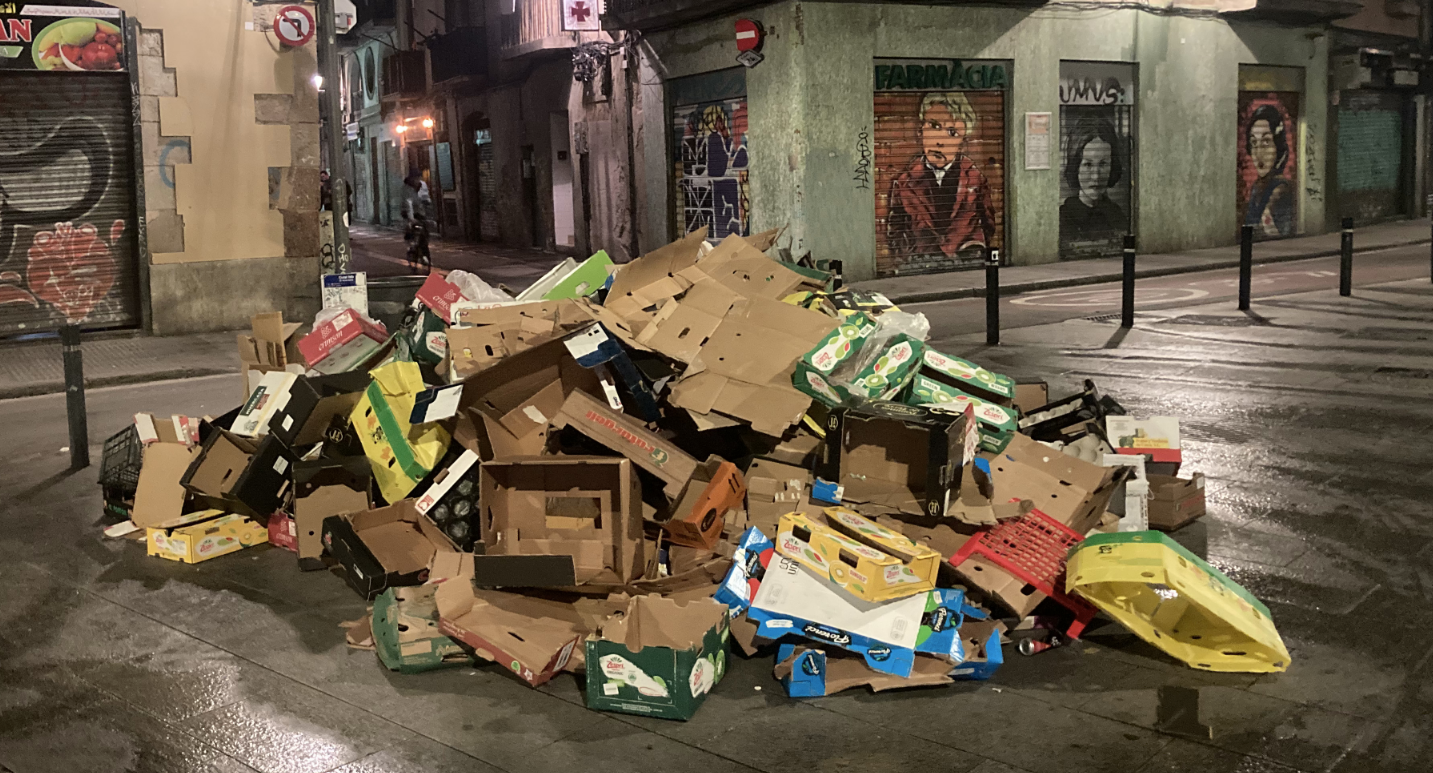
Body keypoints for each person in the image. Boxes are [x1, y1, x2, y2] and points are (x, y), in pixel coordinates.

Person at [885, 92, 996, 267]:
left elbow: (988, 224)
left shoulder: (975, 180)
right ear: (920, 131)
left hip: (966, 267)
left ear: (963, 143)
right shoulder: (903, 183)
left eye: (952, 133)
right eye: (934, 126)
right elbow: (896, 231)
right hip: (922, 267)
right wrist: (907, 261)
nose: (939, 142)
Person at [1059, 119, 1127, 252]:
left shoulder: (1117, 216)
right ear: (1076, 166)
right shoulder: (1064, 219)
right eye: (1088, 165)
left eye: (1103, 164)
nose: (1096, 176)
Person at [1243, 104, 1295, 238]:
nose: (1259, 153)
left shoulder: (1279, 190)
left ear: (1277, 146)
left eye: (1266, 142)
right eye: (1254, 143)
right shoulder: (1256, 187)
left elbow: (1273, 234)